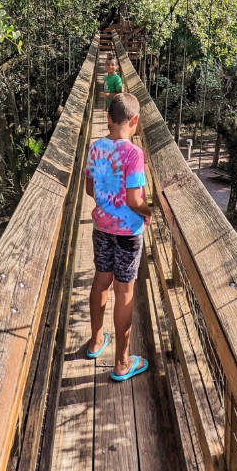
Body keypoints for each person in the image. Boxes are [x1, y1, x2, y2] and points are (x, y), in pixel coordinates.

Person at [84, 92, 150, 381]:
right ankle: (122, 363)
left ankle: (96, 341)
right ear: (135, 121)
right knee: (124, 292)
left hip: (101, 227)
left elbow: (90, 189)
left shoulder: (96, 148)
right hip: (127, 233)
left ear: (108, 119)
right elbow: (135, 199)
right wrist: (150, 211)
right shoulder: (134, 154)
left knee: (101, 281)